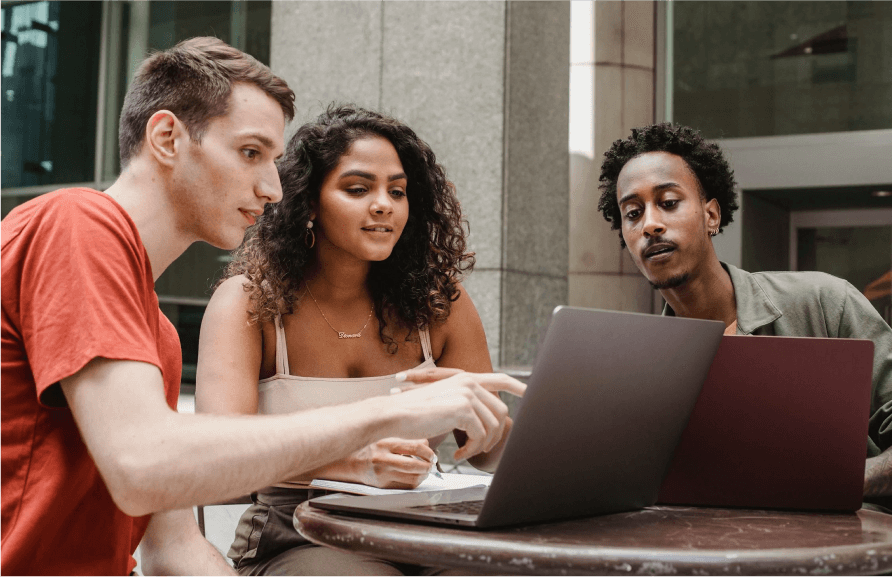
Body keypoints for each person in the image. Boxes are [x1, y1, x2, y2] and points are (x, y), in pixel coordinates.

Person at [0, 38, 523, 577]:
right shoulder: (75, 222)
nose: (274, 188)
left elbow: (174, 551)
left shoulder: (156, 335)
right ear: (166, 137)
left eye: (274, 161)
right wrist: (390, 414)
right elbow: (143, 464)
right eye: (251, 153)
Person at [195, 104, 508, 576]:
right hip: (295, 535)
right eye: (358, 189)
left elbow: (487, 454)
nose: (383, 204)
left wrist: (494, 429)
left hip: (425, 533)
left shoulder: (439, 304)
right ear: (309, 203)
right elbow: (216, 456)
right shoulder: (248, 301)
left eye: (397, 191)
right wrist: (350, 461)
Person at [596, 122, 892, 503]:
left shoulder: (824, 302)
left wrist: (835, 482)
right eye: (633, 213)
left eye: (668, 203)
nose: (650, 224)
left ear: (711, 217)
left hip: (843, 556)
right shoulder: (639, 368)